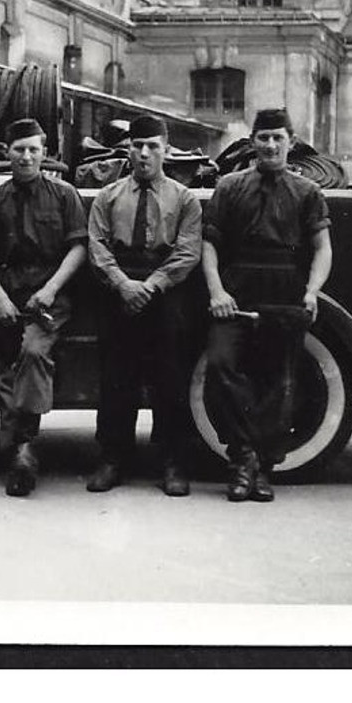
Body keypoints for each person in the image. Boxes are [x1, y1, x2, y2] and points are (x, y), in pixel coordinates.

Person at [201, 107, 333, 503]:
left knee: (280, 382)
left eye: (278, 138)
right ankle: (243, 456)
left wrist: (311, 291)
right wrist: (217, 291)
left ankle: (260, 467)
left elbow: (323, 248)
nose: (271, 145)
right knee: (222, 366)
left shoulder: (308, 192)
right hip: (237, 293)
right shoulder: (228, 186)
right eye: (263, 138)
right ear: (252, 142)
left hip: (284, 294)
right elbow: (209, 245)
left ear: (291, 143)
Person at [84, 114, 204, 496]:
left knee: (169, 377)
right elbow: (97, 245)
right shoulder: (108, 196)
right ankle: (113, 458)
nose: (144, 153)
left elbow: (187, 252)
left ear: (166, 150)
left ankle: (172, 461)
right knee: (117, 377)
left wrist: (150, 286)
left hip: (164, 289)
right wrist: (123, 285)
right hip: (119, 288)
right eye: (137, 145)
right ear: (128, 149)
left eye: (153, 145)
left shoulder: (184, 199)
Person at [0, 118, 88, 497]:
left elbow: (78, 248)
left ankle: (24, 444)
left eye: (33, 150)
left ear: (44, 154)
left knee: (33, 351)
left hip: (49, 299)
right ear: (7, 154)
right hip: (8, 295)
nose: (26, 157)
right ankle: (16, 452)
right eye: (19, 150)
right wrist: (0, 298)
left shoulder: (64, 195)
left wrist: (51, 290)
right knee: (3, 364)